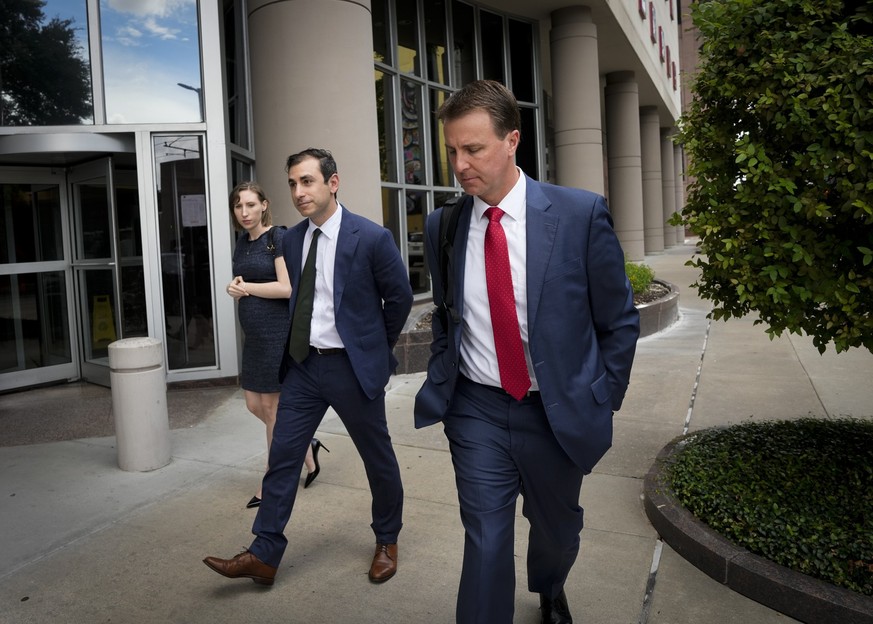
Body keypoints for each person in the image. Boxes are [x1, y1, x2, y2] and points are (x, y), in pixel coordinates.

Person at [414, 80, 640, 624]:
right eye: (452, 150)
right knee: (487, 539)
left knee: (557, 531)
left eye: (474, 149)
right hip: (477, 409)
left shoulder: (580, 215)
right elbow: (448, 315)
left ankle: (550, 586)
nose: (460, 164)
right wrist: (447, 372)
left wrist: (601, 397)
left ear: (512, 140)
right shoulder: (444, 225)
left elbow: (618, 320)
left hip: (555, 411)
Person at [205, 148, 413, 586]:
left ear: (332, 183)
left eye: (307, 181)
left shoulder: (371, 237)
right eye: (293, 184)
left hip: (352, 370)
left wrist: (373, 349)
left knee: (378, 459)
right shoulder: (293, 239)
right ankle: (264, 554)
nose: (299, 192)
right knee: (282, 457)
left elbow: (399, 300)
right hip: (304, 367)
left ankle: (386, 540)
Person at [227, 182, 329, 509]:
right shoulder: (242, 243)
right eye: (239, 206)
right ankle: (305, 444)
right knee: (253, 406)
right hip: (253, 339)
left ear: (264, 205)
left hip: (276, 335)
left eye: (251, 205)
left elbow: (287, 288)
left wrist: (249, 289)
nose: (245, 212)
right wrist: (236, 286)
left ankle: (271, 482)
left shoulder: (277, 237)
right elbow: (246, 281)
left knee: (272, 410)